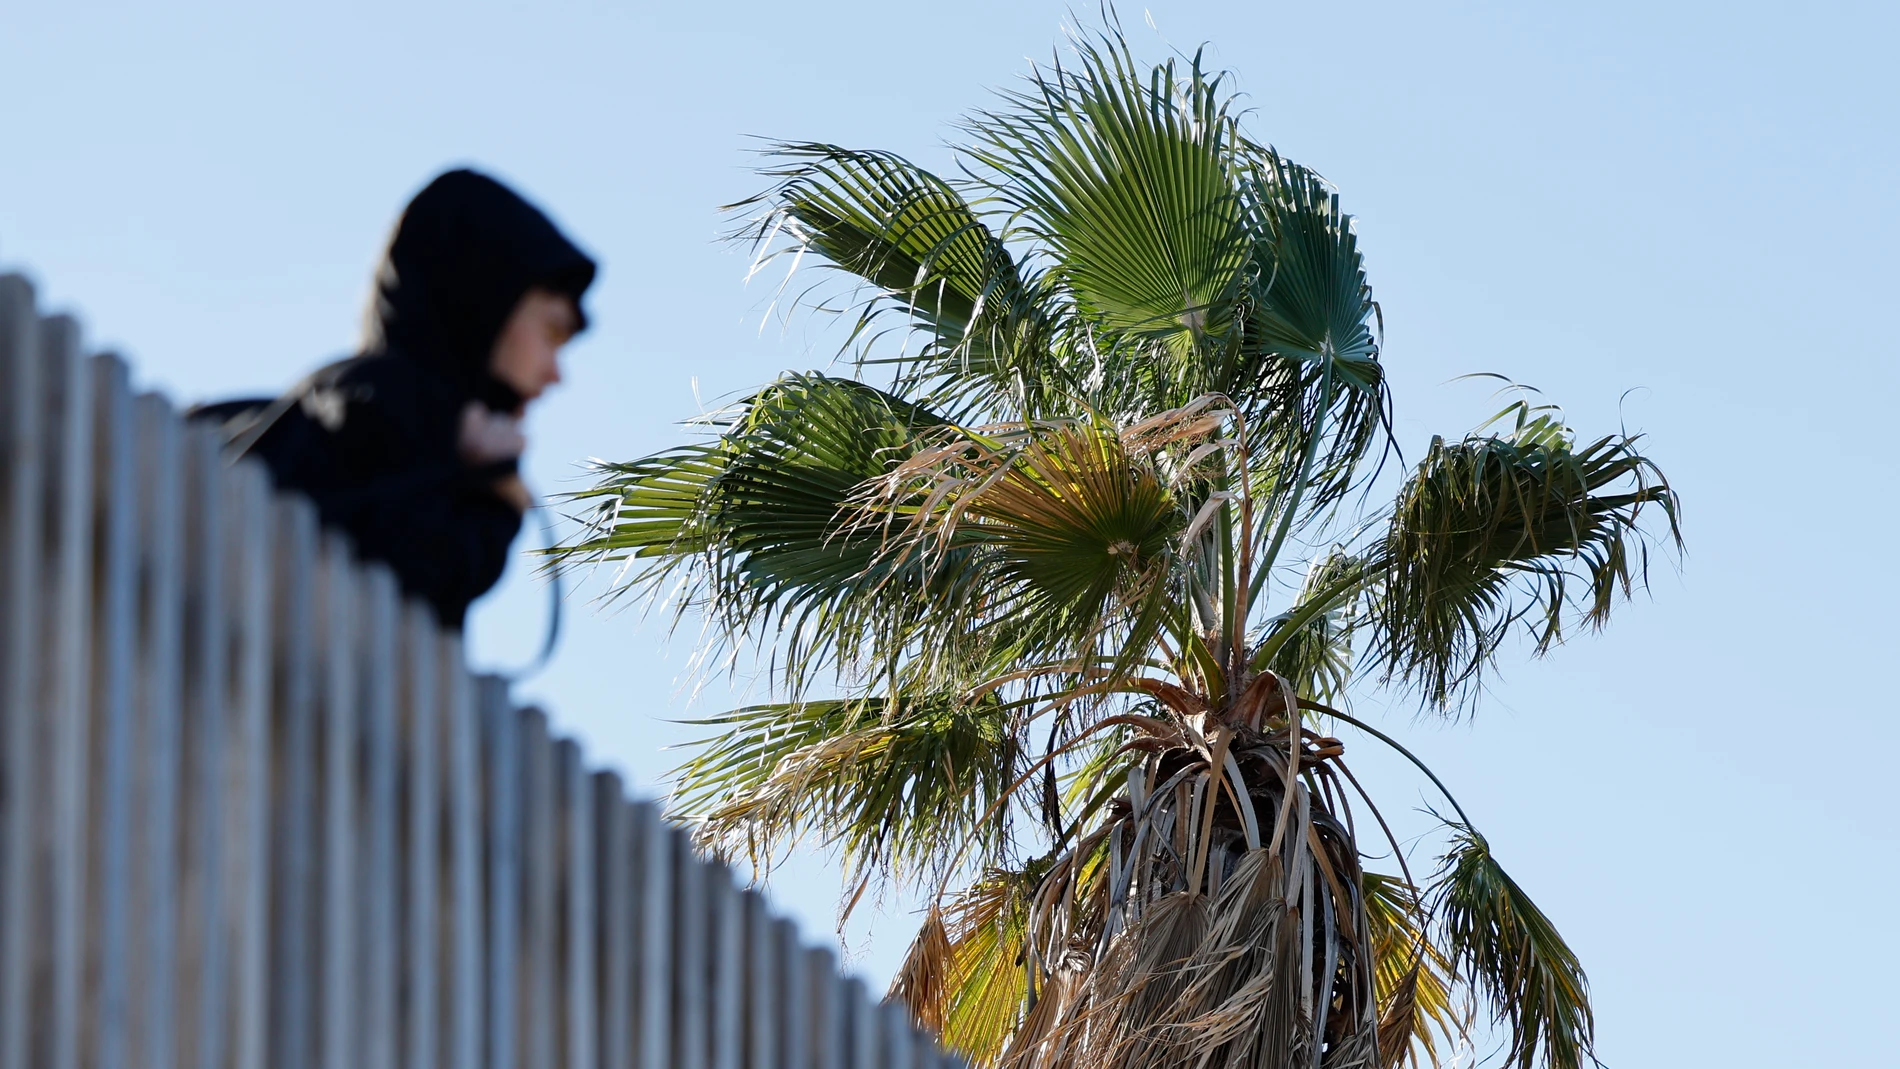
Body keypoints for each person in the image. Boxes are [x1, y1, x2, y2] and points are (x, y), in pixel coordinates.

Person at [193, 168, 595, 629]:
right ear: (483, 300)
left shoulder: (395, 408)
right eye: (550, 331)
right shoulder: (376, 403)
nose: (555, 372)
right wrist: (491, 500)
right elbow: (410, 570)